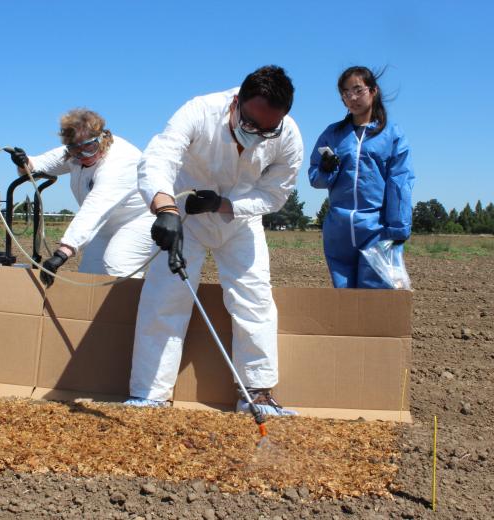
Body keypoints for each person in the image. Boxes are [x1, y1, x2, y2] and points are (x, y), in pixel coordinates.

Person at [124, 65, 304, 416]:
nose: (257, 135)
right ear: (236, 103)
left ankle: (258, 393)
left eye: (268, 130)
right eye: (250, 125)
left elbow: (276, 193)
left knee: (254, 299)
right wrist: (165, 209)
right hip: (185, 217)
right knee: (165, 297)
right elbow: (160, 156)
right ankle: (150, 394)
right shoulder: (200, 111)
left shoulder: (288, 135)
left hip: (240, 219)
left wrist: (226, 204)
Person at [5, 109, 154, 285]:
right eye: (75, 150)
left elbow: (94, 208)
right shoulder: (75, 150)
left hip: (137, 220)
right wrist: (24, 163)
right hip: (104, 225)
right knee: (90, 273)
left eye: (89, 148)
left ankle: (125, 311)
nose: (82, 155)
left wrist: (61, 254)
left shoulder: (119, 162)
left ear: (101, 138)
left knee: (116, 264)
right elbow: (36, 166)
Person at [308, 66, 415, 288]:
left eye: (358, 90)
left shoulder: (392, 134)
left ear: (373, 90)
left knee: (375, 298)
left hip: (377, 228)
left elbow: (400, 182)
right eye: (346, 94)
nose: (352, 98)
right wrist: (326, 169)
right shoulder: (333, 134)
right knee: (344, 297)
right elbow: (315, 179)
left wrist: (398, 229)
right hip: (339, 228)